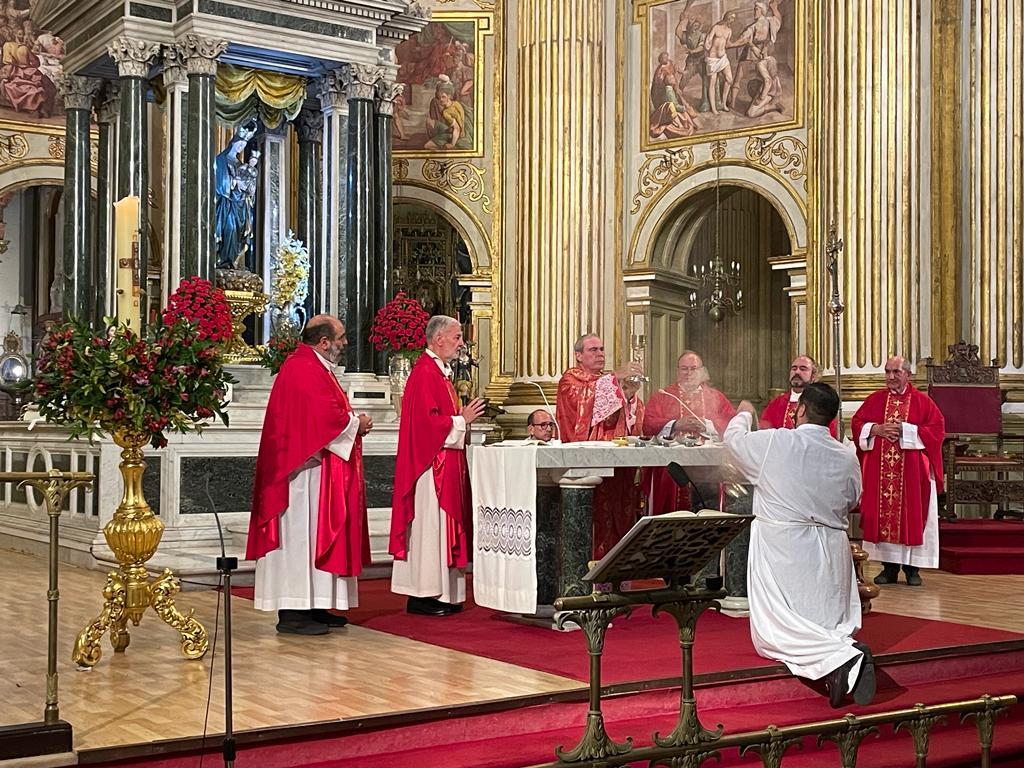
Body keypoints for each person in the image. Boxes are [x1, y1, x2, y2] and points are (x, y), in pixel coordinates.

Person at [724, 383, 875, 709]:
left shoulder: (777, 442)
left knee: (774, 632)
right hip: (831, 548)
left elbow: (733, 444)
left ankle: (840, 659)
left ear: (801, 409)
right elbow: (852, 499)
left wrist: (743, 414)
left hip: (785, 549)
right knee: (828, 621)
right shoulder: (846, 455)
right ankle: (839, 650)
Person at [246, 315, 374, 635]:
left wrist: (351, 422)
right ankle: (293, 612)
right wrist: (355, 424)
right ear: (324, 342)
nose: (345, 343)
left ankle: (315, 604)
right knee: (299, 540)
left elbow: (325, 415)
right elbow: (320, 420)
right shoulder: (301, 368)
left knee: (312, 539)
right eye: (341, 337)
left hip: (318, 471)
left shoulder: (315, 366)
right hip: (299, 477)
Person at [390, 315, 486, 616]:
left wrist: (459, 417)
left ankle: (443, 594)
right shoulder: (424, 373)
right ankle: (424, 594)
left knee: (440, 529)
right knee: (431, 529)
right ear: (439, 338)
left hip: (446, 462)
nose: (461, 344)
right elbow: (425, 424)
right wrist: (462, 419)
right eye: (457, 337)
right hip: (431, 468)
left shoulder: (440, 373)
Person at [852, 355, 945, 586]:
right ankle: (889, 568)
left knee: (912, 515)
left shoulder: (923, 402)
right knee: (882, 516)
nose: (891, 377)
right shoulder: (875, 400)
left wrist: (907, 431)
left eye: (896, 372)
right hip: (880, 473)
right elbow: (857, 423)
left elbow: (937, 430)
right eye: (888, 372)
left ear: (908, 374)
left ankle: (913, 570)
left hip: (914, 475)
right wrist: (876, 429)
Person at [556, 334, 645, 557]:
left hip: (617, 463)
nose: (600, 354)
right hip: (588, 464)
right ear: (578, 355)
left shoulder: (606, 380)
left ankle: (616, 573)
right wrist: (617, 379)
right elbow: (586, 406)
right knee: (595, 518)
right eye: (593, 350)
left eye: (602, 349)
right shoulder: (570, 379)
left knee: (619, 514)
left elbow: (626, 416)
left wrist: (629, 394)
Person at [642, 351, 736, 514]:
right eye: (684, 369)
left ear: (702, 371)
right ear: (677, 371)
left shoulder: (715, 397)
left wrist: (707, 425)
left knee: (708, 512)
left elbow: (733, 426)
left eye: (693, 368)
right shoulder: (664, 396)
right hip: (672, 467)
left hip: (709, 469)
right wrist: (675, 424)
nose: (688, 373)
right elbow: (648, 424)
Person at [760, 355, 837, 437]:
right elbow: (765, 433)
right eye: (794, 368)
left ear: (814, 376)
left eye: (803, 369)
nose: (797, 372)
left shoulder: (822, 403)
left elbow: (829, 434)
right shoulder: (777, 403)